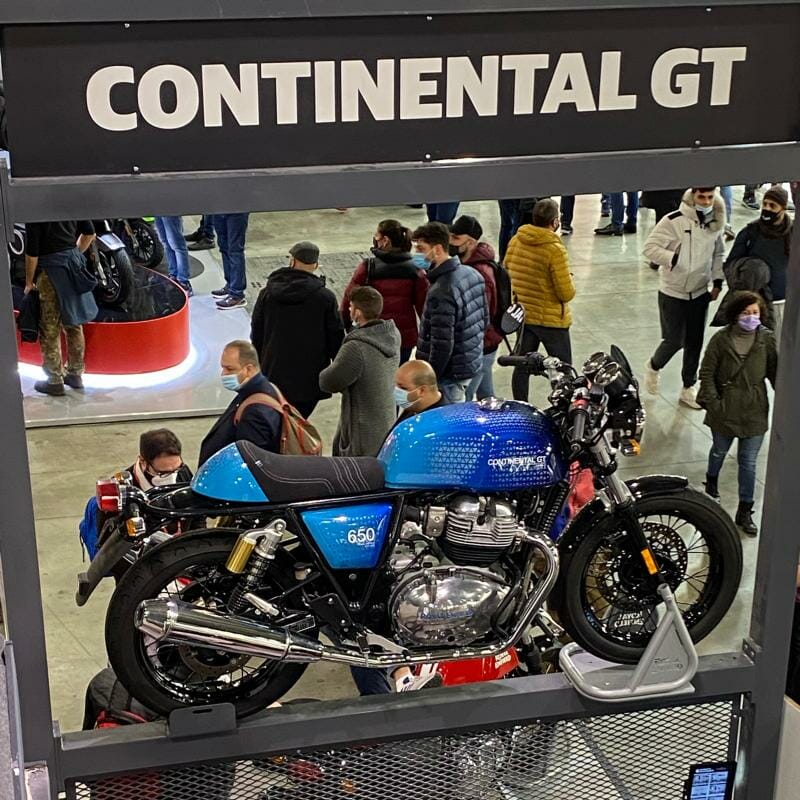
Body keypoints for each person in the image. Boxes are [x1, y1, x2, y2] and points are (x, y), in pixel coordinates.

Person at [697, 292, 777, 536]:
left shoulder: (767, 340)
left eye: (755, 312)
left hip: (754, 410)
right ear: (735, 314)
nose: (751, 317)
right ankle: (712, 481)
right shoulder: (721, 340)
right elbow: (707, 372)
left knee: (749, 462)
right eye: (746, 312)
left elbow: (775, 373)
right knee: (719, 450)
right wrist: (715, 403)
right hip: (725, 409)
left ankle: (745, 510)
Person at [642, 187, 726, 409]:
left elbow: (719, 253)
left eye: (710, 197)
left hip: (700, 292)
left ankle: (688, 387)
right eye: (701, 197)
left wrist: (717, 281)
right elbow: (650, 248)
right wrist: (674, 258)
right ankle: (653, 365)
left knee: (695, 343)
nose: (706, 202)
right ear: (692, 197)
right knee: (674, 340)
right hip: (672, 291)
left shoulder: (715, 222)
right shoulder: (673, 221)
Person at [250, 241, 344, 419]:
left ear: (292, 261)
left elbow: (257, 330)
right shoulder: (325, 298)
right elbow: (336, 337)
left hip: (273, 370)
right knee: (298, 423)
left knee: (276, 421)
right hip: (309, 376)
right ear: (315, 266)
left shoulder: (268, 293)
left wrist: (259, 362)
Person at [505, 199, 576, 402]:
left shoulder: (516, 240)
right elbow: (565, 293)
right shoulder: (554, 249)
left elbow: (507, 268)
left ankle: (520, 404)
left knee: (522, 365)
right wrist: (569, 280)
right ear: (554, 221)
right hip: (552, 320)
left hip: (524, 316)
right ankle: (566, 408)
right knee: (563, 369)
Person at [319, 287, 401, 457]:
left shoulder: (356, 348)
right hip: (385, 423)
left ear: (357, 313)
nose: (348, 310)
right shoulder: (393, 335)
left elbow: (328, 382)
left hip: (361, 433)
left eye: (350, 307)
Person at [412, 221, 488, 403]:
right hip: (469, 364)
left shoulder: (441, 291)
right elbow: (484, 320)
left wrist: (430, 379)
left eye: (421, 249)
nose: (417, 255)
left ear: (437, 249)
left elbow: (442, 345)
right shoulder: (472, 273)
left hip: (448, 375)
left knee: (448, 424)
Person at [24, 220, 98, 396]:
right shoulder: (68, 200)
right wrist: (74, 255)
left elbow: (32, 252)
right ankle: (75, 374)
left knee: (49, 327)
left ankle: (54, 380)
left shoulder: (34, 210)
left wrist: (29, 281)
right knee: (74, 323)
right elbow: (90, 233)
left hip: (49, 272)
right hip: (72, 267)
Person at [340, 220, 429, 364]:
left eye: (376, 236)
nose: (374, 239)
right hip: (404, 338)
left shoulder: (368, 267)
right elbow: (424, 309)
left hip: (373, 336)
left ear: (385, 240)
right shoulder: (416, 270)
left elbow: (348, 300)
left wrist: (348, 327)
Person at [725, 185, 793, 346]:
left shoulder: (793, 233)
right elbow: (730, 264)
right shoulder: (751, 232)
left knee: (782, 348)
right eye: (765, 204)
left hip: (785, 303)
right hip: (756, 306)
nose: (767, 209)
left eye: (772, 206)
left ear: (783, 209)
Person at [198, 340, 282, 466]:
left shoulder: (256, 411)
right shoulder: (256, 390)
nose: (223, 374)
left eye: (229, 369)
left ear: (249, 369)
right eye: (223, 368)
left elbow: (250, 462)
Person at [448, 214, 502, 401]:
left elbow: (479, 316)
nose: (451, 242)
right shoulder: (465, 264)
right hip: (483, 343)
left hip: (481, 344)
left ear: (470, 243)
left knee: (465, 399)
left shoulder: (481, 274)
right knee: (487, 395)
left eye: (456, 238)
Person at [210, 212, 250, 310]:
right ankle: (230, 285)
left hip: (237, 209)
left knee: (235, 250)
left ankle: (237, 293)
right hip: (219, 208)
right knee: (224, 246)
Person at [394, 359, 449, 426]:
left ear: (422, 390)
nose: (396, 392)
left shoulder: (441, 425)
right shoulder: (414, 406)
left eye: (403, 388)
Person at [153, 216, 193, 295]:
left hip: (169, 209)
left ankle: (183, 281)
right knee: (166, 242)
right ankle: (173, 275)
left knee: (177, 244)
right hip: (158, 209)